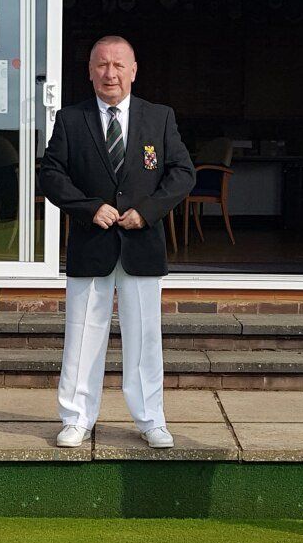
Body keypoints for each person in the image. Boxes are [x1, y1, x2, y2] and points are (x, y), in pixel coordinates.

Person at [38, 36, 196, 449]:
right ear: (89, 71)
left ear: (134, 70)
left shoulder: (159, 117)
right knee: (82, 336)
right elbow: (51, 175)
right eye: (102, 65)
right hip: (92, 243)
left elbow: (182, 173)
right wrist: (89, 207)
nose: (110, 73)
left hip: (142, 244)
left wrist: (147, 210)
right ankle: (76, 418)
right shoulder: (71, 119)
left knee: (145, 338)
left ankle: (150, 420)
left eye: (118, 65)